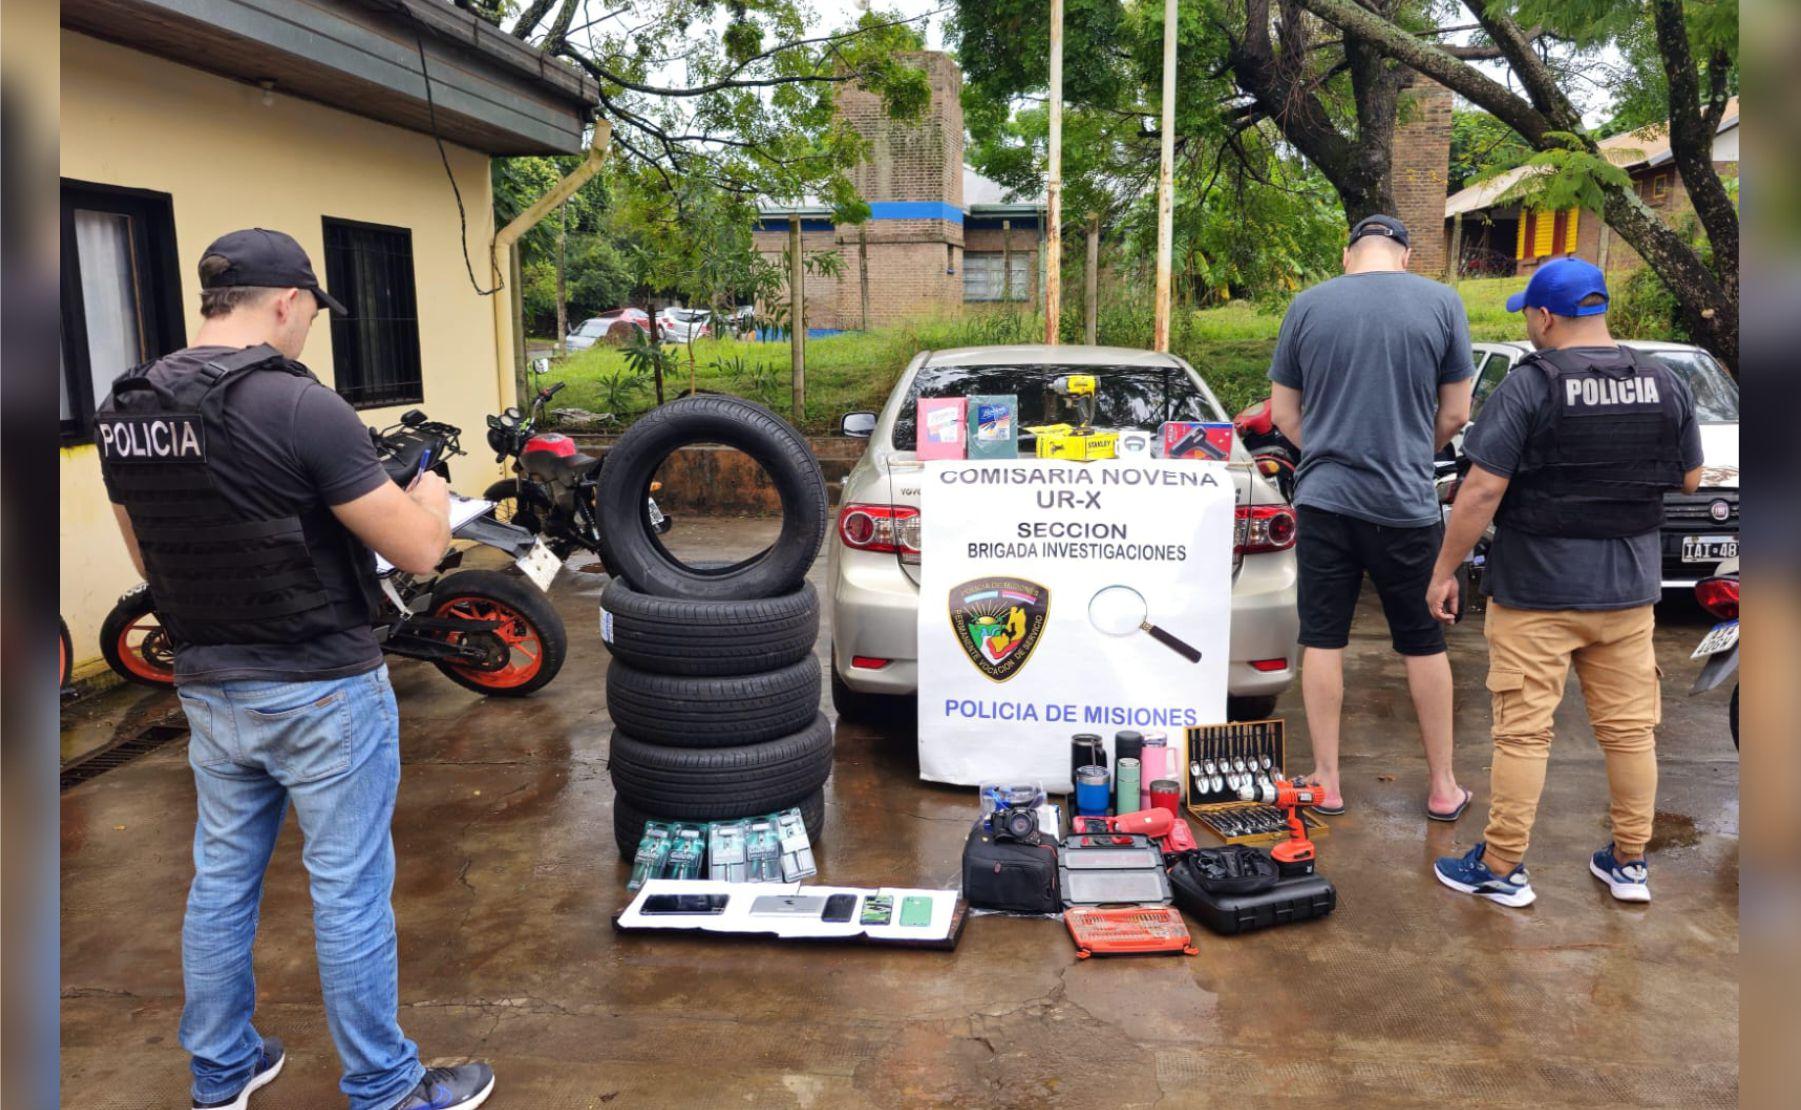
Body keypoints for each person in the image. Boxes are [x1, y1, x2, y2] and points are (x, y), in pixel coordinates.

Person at [97, 229, 495, 1110]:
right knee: (349, 889)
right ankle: (387, 1089)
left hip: (209, 684)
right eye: (312, 311)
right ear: (285, 301)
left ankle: (223, 1071)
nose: (310, 328)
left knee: (222, 880)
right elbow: (422, 550)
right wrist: (428, 488)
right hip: (321, 688)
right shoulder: (301, 407)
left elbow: (150, 558)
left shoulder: (126, 407)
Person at [1427, 258, 1703, 908]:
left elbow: (1481, 490)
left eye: (1528, 315)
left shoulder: (1531, 385)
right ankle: (1629, 863)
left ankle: (1500, 866)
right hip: (1629, 593)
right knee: (1630, 732)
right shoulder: (1661, 381)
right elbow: (1688, 479)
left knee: (1522, 733)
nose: (1527, 327)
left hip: (1536, 594)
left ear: (1545, 315)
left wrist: (1442, 570)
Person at [1268, 215, 1475, 820]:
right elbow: (1457, 413)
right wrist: (1411, 452)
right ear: (1406, 256)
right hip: (1406, 505)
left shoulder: (1307, 306)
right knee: (1422, 641)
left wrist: (1329, 450)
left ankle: (1327, 781)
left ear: (1346, 255)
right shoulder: (1442, 303)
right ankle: (1443, 787)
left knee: (1323, 638)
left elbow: (1283, 414)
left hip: (1325, 501)